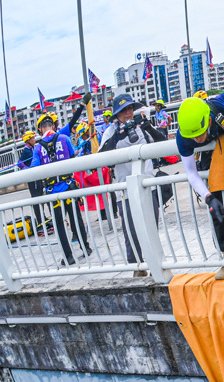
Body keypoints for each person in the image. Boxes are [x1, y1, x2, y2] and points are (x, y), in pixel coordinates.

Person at [174, 75, 224, 280]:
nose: (196, 139)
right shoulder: (183, 137)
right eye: (192, 137)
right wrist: (208, 197)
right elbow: (191, 172)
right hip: (211, 159)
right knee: (217, 211)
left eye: (200, 134)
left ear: (208, 119)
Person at [98, 93, 168, 274]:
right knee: (131, 231)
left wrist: (149, 127)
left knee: (152, 227)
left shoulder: (141, 126)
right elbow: (102, 159)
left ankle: (157, 265)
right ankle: (137, 268)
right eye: (123, 111)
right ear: (116, 115)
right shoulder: (110, 131)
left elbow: (164, 145)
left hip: (148, 186)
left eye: (130, 109)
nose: (128, 114)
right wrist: (117, 138)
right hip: (126, 192)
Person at [31, 111, 92, 266]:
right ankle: (85, 248)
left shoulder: (37, 148)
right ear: (53, 125)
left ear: (40, 129)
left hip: (52, 193)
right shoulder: (64, 139)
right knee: (75, 218)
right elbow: (72, 157)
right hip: (68, 187)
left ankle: (68, 256)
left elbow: (34, 170)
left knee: (59, 225)